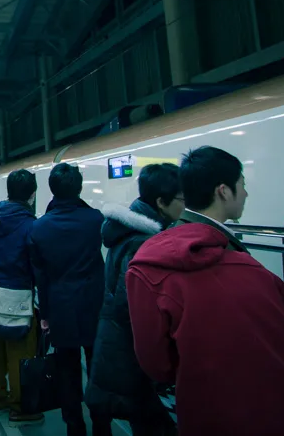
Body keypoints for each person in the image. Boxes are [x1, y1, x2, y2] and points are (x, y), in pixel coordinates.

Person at [126, 147, 284, 436]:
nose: (246, 193)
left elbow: (157, 365)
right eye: (243, 185)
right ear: (224, 191)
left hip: (203, 416)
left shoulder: (145, 268)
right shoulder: (258, 276)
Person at [84, 163, 184, 435]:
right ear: (162, 202)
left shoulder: (127, 234)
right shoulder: (143, 244)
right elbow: (133, 310)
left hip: (120, 349)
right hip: (132, 356)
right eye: (181, 199)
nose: (185, 206)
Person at [30, 163, 110, 436]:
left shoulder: (39, 229)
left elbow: (40, 277)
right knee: (97, 370)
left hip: (60, 307)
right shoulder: (96, 219)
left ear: (51, 189)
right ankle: (102, 426)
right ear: (79, 188)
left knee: (67, 372)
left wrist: (45, 315)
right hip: (94, 305)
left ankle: (74, 426)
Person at [0, 171, 42, 423]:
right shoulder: (31, 225)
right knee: (21, 353)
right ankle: (20, 407)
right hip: (19, 293)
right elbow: (35, 264)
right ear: (32, 193)